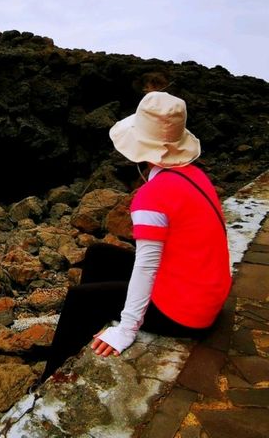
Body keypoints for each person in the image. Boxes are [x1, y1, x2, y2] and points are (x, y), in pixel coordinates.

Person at [41, 91, 232, 380]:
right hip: (205, 291)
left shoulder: (152, 196)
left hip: (188, 313)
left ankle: (49, 378)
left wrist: (127, 329)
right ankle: (91, 329)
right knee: (98, 254)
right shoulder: (193, 174)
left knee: (79, 300)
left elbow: (147, 266)